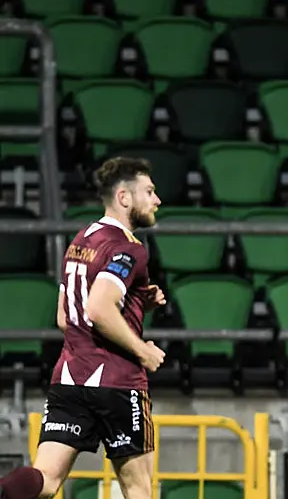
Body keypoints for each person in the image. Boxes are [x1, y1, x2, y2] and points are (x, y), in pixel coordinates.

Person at [0, 158, 166, 499]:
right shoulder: (129, 248)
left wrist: (135, 306)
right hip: (118, 383)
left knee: (44, 482)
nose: (157, 200)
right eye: (149, 191)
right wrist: (142, 349)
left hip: (69, 379)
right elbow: (99, 308)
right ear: (124, 197)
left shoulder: (81, 240)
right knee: (139, 490)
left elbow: (66, 316)